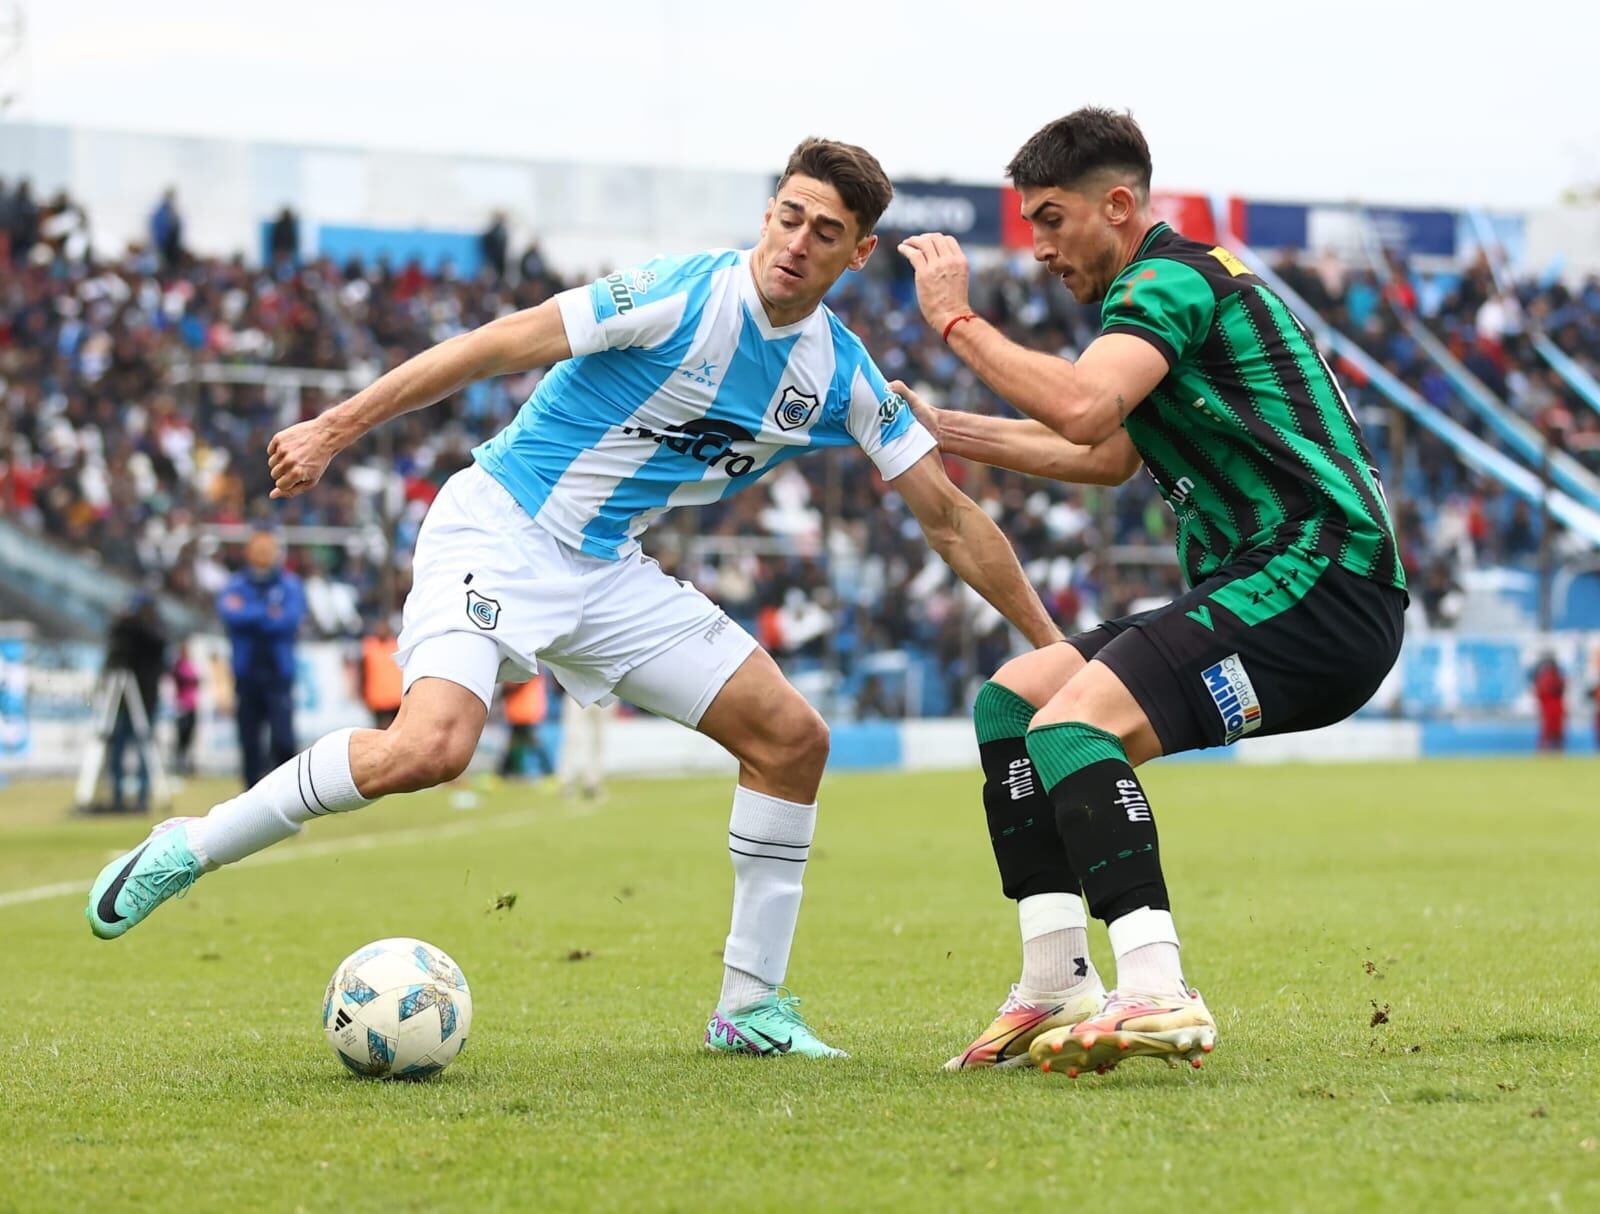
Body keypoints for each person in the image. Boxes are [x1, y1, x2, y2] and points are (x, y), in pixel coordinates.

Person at [86, 138, 1061, 1061]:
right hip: (499, 528)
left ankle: (748, 1005)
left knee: (792, 739)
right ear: (767, 214)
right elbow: (493, 344)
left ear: (857, 255)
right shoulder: (679, 295)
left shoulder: (840, 372)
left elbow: (949, 518)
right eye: (788, 217)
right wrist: (336, 427)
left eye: (824, 233)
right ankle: (191, 845)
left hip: (607, 571)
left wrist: (1053, 645)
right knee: (428, 748)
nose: (797, 243)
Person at [895, 108, 1406, 1075]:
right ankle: (1054, 982)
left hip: (1319, 574)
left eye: (1050, 220)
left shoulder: (1170, 276)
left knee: (1072, 728)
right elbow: (1107, 453)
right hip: (1278, 583)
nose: (1040, 249)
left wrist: (956, 321)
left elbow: (1085, 408)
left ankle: (1158, 990)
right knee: (1017, 699)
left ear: (1118, 205)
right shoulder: (1162, 303)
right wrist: (939, 429)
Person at [215, 531, 306, 786]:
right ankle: (250, 804)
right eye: (258, 549)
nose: (264, 554)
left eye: (268, 549)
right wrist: (267, 613)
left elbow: (288, 620)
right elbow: (230, 615)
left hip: (278, 674)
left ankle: (288, 799)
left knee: (283, 740)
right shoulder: (236, 584)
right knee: (249, 741)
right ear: (248, 552)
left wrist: (249, 614)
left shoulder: (290, 584)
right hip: (246, 673)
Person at [101, 595, 168, 813]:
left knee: (144, 749)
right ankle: (118, 797)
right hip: (122, 699)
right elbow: (114, 655)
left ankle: (142, 798)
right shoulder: (127, 633)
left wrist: (134, 624)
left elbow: (158, 643)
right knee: (118, 747)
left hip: (145, 699)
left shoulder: (153, 632)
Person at [499, 672, 554, 780]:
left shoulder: (526, 669)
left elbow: (514, 685)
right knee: (521, 741)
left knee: (525, 741)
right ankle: (506, 770)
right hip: (523, 711)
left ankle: (548, 769)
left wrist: (503, 690)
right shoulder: (535, 668)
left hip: (523, 711)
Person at [558, 695, 612, 801]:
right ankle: (566, 781)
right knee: (573, 737)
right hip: (577, 689)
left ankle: (593, 782)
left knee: (599, 739)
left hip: (607, 692)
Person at [359, 619, 404, 730]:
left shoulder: (397, 646)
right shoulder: (369, 648)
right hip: (377, 698)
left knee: (396, 728)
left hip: (396, 698)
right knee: (381, 730)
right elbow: (363, 672)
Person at [171, 642, 200, 777]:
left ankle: (187, 765)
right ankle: (179, 765)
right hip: (182, 707)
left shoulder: (191, 665)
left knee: (190, 738)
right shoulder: (178, 666)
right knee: (181, 738)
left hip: (192, 706)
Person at [1531, 655, 1566, 751]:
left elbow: (1560, 689)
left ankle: (1554, 750)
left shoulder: (1556, 677)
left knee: (1556, 733)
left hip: (1554, 708)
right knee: (1548, 732)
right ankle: (1546, 750)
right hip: (1549, 708)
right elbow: (1540, 693)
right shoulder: (1545, 678)